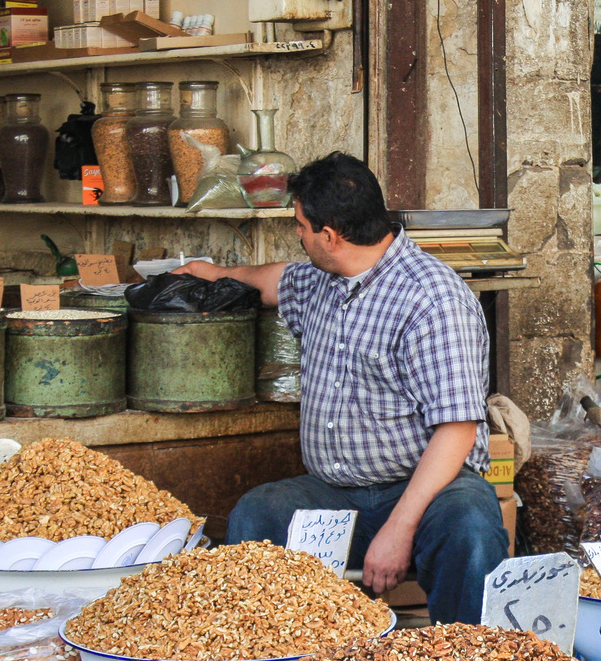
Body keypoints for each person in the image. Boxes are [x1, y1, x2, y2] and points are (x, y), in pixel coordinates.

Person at [174, 152, 508, 625]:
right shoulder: (322, 279)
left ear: (329, 236)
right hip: (338, 492)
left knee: (470, 529)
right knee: (258, 514)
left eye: (300, 226)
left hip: (428, 491)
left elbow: (456, 430)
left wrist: (399, 527)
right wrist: (211, 274)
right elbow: (270, 281)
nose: (298, 235)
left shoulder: (434, 300)